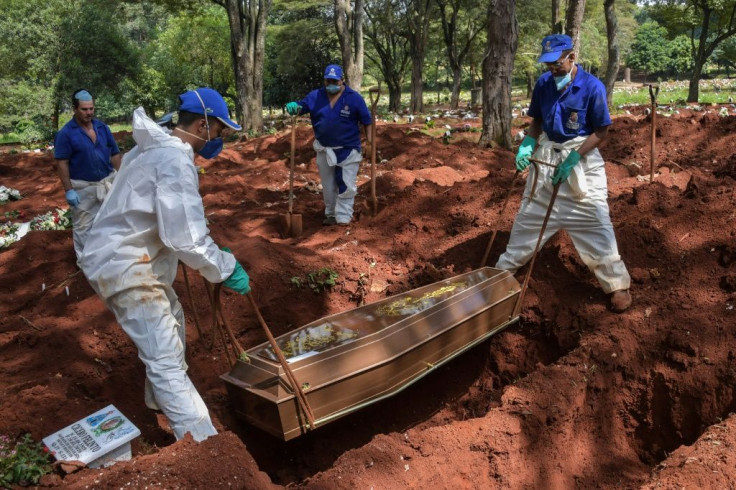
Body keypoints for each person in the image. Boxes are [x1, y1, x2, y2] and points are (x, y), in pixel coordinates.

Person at [80, 88, 251, 442]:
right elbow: (185, 238)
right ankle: (205, 446)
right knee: (165, 359)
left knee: (173, 319)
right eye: (219, 131)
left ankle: (159, 404)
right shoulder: (174, 161)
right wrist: (224, 267)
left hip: (128, 255)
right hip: (126, 264)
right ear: (203, 125)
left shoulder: (151, 149)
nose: (219, 139)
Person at [495, 34, 632, 313]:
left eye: (557, 64)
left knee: (596, 222)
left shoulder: (592, 87)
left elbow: (601, 131)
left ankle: (617, 284)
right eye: (548, 65)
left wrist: (573, 159)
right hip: (547, 159)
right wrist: (527, 145)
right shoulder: (544, 84)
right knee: (527, 219)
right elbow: (537, 122)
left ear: (572, 57)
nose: (552, 70)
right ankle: (502, 272)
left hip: (580, 160)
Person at [285, 64, 373, 226]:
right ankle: (331, 214)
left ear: (342, 81)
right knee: (328, 184)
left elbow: (367, 121)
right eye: (328, 81)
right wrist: (294, 107)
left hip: (348, 149)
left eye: (335, 81)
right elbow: (302, 106)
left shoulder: (354, 98)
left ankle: (344, 216)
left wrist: (370, 142)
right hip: (324, 148)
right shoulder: (315, 96)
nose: (331, 84)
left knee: (345, 183)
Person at [53, 89, 122, 261]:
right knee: (83, 226)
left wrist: (122, 177)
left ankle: (109, 257)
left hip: (106, 183)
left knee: (110, 220)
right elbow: (62, 162)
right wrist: (69, 190)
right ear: (75, 109)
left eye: (91, 108)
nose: (89, 112)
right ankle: (86, 263)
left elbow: (114, 153)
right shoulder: (66, 133)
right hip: (83, 187)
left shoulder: (102, 128)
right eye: (84, 109)